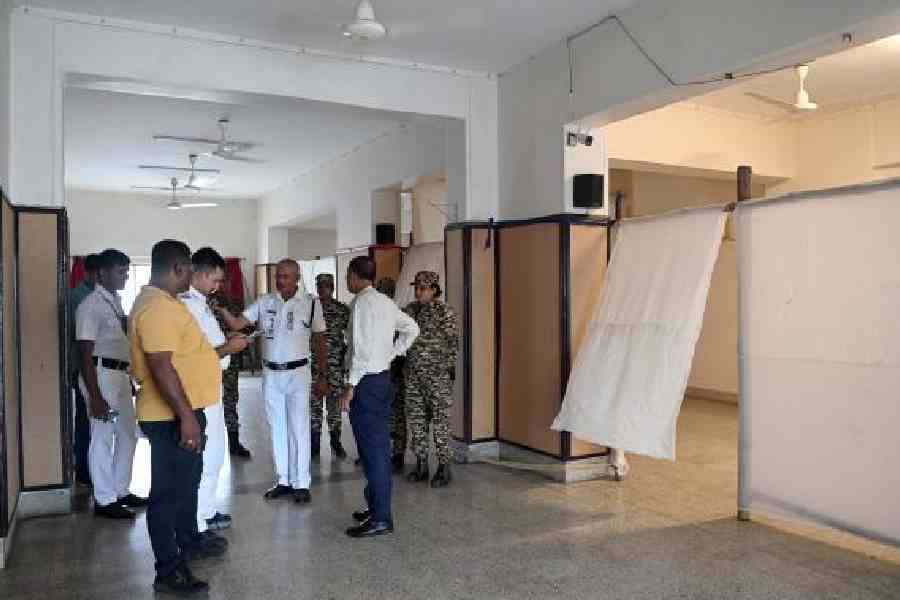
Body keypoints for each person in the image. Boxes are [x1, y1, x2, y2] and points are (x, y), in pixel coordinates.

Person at [130, 240, 227, 597]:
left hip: (184, 412)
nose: (192, 275)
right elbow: (161, 366)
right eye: (188, 269)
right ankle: (168, 571)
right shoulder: (156, 307)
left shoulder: (165, 303)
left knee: (186, 485)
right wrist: (187, 417)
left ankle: (188, 542)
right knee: (167, 495)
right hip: (170, 416)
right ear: (177, 268)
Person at [216, 259, 328, 504]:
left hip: (299, 373)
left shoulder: (310, 304)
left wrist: (323, 374)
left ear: (297, 278)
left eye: (286, 276)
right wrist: (221, 308)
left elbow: (320, 340)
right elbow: (237, 324)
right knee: (277, 428)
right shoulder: (266, 301)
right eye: (278, 275)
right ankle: (284, 480)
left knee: (299, 428)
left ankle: (302, 483)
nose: (281, 280)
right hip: (271, 375)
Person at [340, 256, 419, 539]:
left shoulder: (362, 303)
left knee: (374, 453)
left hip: (366, 384)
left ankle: (382, 518)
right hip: (382, 379)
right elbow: (412, 328)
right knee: (376, 450)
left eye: (348, 276)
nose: (347, 281)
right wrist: (393, 353)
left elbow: (360, 351)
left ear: (354, 276)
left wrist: (350, 386)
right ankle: (375, 506)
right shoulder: (385, 301)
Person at [179, 248, 249, 534]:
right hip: (199, 387)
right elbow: (191, 355)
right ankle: (196, 522)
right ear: (200, 273)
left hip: (211, 386)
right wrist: (227, 348)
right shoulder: (186, 306)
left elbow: (206, 343)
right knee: (206, 456)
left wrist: (227, 341)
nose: (218, 287)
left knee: (215, 454)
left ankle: (205, 511)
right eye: (216, 280)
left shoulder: (201, 302)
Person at [76, 249, 147, 518]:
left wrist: (128, 378)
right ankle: (104, 500)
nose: (125, 276)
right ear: (102, 273)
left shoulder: (115, 302)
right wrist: (95, 396)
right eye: (120, 271)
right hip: (100, 376)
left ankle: (121, 490)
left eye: (127, 271)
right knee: (102, 438)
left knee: (128, 434)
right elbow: (85, 351)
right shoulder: (91, 305)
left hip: (118, 376)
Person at [402, 271, 459, 488]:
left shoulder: (445, 312)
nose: (418, 292)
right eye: (416, 287)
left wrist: (446, 370)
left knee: (440, 422)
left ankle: (444, 466)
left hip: (437, 377)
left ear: (434, 289)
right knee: (417, 421)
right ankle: (421, 464)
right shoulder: (410, 310)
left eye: (422, 288)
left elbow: (453, 343)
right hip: (414, 376)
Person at [209, 282, 252, 458]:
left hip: (230, 362)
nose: (220, 286)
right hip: (209, 360)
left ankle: (234, 442)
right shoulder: (201, 303)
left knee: (230, 400)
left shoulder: (234, 304)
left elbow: (246, 327)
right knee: (209, 402)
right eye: (217, 281)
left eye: (223, 281)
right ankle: (209, 442)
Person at [310, 273, 350, 460]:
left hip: (335, 366)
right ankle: (314, 444)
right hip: (313, 366)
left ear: (332, 287)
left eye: (326, 286)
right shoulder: (310, 308)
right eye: (320, 286)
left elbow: (349, 337)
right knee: (314, 406)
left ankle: (336, 442)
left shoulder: (342, 310)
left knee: (334, 408)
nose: (323, 289)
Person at [70, 253, 101, 486]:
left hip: (99, 369)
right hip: (84, 368)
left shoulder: (102, 297)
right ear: (89, 272)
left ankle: (92, 469)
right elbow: (82, 343)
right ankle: (83, 470)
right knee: (85, 420)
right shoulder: (80, 298)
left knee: (96, 423)